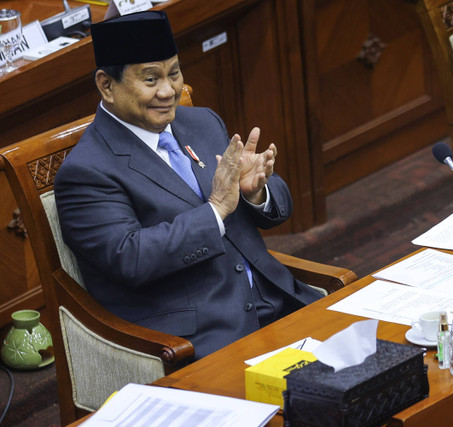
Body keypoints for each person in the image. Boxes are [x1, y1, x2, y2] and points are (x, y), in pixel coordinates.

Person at [54, 11, 323, 360]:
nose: (169, 91)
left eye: (174, 73)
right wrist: (216, 210)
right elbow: (131, 258)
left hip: (282, 301)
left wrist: (255, 191)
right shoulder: (86, 171)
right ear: (107, 85)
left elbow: (278, 206)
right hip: (201, 339)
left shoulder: (202, 123)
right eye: (151, 79)